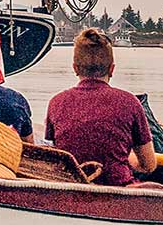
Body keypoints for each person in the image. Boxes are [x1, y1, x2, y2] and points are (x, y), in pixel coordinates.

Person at [45, 27, 157, 184]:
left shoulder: (56, 102)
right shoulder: (130, 102)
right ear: (112, 69)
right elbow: (148, 166)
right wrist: (128, 158)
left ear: (75, 68)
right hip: (118, 188)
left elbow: (57, 150)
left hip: (71, 188)